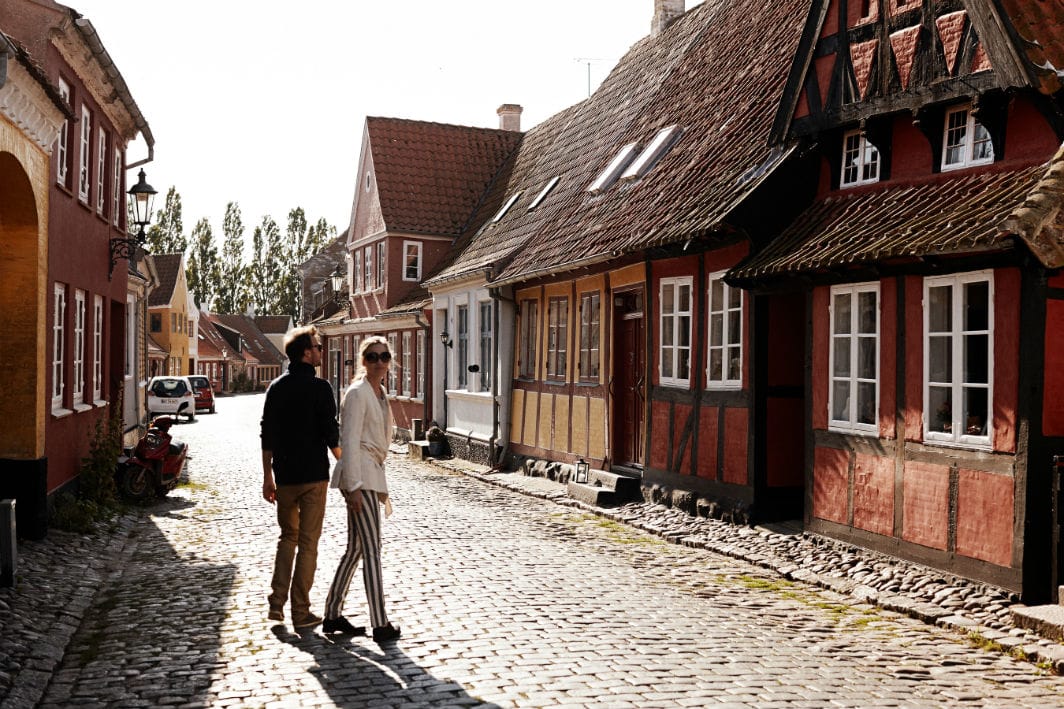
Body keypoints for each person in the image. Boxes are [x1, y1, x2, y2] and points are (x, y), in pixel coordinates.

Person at [260, 325, 341, 630]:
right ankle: (301, 610)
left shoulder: (276, 388)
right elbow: (331, 434)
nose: (321, 351)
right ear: (307, 352)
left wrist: (267, 476)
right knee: (308, 544)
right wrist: (346, 466)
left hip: (285, 478)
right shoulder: (321, 388)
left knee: (287, 538)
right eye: (318, 347)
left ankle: (276, 604)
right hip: (313, 478)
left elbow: (267, 433)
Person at [322, 336, 402, 642]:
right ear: (363, 360)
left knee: (356, 548)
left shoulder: (379, 393)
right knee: (372, 550)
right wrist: (353, 485)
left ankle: (332, 615)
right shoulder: (356, 393)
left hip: (371, 474)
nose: (379, 362)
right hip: (361, 478)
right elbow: (350, 442)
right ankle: (380, 623)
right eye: (372, 357)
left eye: (384, 356)